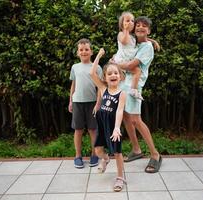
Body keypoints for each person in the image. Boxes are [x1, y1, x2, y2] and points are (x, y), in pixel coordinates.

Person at [116, 16, 162, 173]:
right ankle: (136, 150)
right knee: (127, 117)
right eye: (138, 26)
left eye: (144, 26)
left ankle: (155, 155)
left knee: (136, 120)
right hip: (124, 84)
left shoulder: (146, 47)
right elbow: (138, 39)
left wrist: (115, 64)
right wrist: (153, 40)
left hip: (135, 87)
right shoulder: (137, 41)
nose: (140, 28)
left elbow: (130, 65)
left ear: (148, 30)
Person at [90, 48, 127, 192]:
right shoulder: (103, 89)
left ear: (120, 76)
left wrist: (117, 127)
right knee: (98, 149)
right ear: (105, 77)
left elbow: (119, 111)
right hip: (102, 124)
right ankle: (105, 159)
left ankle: (120, 177)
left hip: (113, 127)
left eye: (116, 73)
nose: (113, 75)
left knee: (117, 153)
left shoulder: (122, 93)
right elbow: (92, 73)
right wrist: (99, 55)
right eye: (109, 73)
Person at [68, 38, 102, 169]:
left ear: (91, 52)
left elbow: (100, 87)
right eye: (81, 50)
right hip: (77, 102)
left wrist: (98, 103)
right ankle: (78, 156)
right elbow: (73, 84)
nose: (84, 52)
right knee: (78, 130)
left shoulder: (96, 67)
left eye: (86, 49)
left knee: (93, 130)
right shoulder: (75, 67)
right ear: (77, 52)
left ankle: (94, 155)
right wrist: (70, 100)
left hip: (92, 103)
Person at [114, 11, 160, 101]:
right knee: (123, 113)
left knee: (133, 115)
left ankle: (134, 90)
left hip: (130, 79)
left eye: (132, 21)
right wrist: (126, 30)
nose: (130, 23)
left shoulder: (145, 45)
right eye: (137, 25)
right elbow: (124, 41)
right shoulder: (123, 34)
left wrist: (153, 41)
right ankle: (132, 90)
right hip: (123, 70)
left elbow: (130, 66)